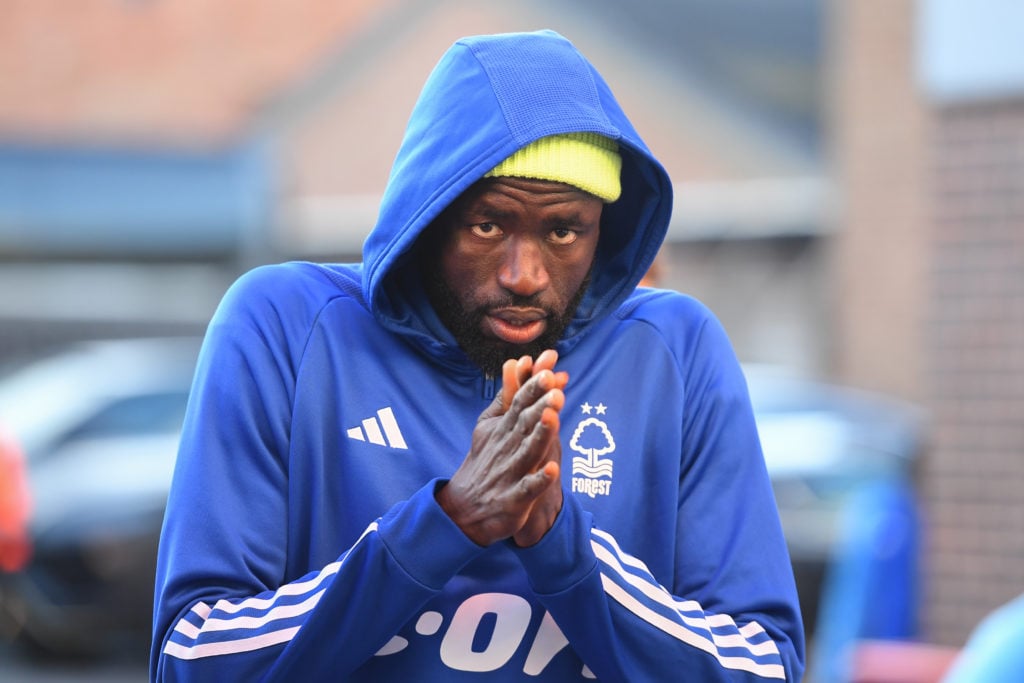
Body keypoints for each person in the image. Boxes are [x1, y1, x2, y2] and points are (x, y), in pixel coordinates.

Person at [151, 29, 804, 682]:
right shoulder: (286, 326)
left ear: (604, 231)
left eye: (563, 230)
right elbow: (192, 658)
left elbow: (766, 664)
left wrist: (561, 545)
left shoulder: (673, 351)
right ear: (427, 215)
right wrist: (444, 523)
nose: (524, 274)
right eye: (488, 225)